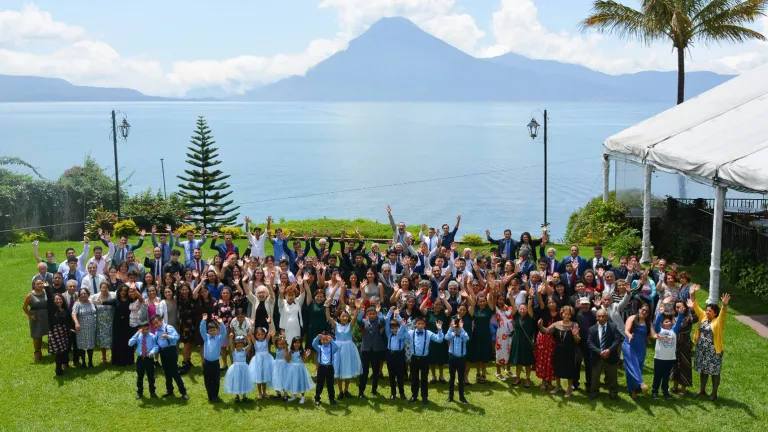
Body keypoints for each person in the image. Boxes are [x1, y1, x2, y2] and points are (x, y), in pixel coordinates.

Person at [691, 287, 729, 401]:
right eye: (707, 310)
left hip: (713, 351)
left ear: (715, 313)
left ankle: (714, 393)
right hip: (702, 349)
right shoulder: (703, 316)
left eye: (710, 311)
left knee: (714, 372)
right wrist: (692, 294)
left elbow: (723, 314)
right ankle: (702, 390)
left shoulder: (718, 321)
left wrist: (724, 305)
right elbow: (695, 306)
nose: (707, 312)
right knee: (703, 370)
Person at [540, 305, 580, 398]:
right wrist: (540, 326)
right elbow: (547, 331)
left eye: (569, 314)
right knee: (557, 368)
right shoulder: (556, 324)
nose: (567, 316)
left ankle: (569, 388)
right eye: (565, 314)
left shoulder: (575, 325)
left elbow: (578, 341)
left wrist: (575, 335)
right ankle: (558, 386)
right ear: (561, 314)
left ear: (571, 315)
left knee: (569, 369)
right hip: (558, 350)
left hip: (570, 351)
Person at [326, 296, 362, 399]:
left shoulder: (350, 325)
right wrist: (327, 306)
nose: (345, 318)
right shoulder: (336, 325)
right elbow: (328, 317)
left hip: (349, 349)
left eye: (346, 316)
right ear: (339, 317)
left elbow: (355, 318)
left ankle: (346, 390)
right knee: (338, 369)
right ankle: (340, 391)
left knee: (347, 368)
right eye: (343, 316)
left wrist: (357, 308)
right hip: (338, 349)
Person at [405, 315, 444, 404]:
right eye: (418, 323)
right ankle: (414, 396)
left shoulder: (428, 333)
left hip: (424, 359)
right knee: (414, 378)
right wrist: (403, 326)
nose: (420, 325)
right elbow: (400, 336)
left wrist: (439, 330)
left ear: (424, 324)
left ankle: (424, 397)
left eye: (422, 324)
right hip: (414, 358)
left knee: (424, 378)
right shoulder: (410, 333)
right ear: (415, 324)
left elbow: (440, 339)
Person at [588, 308, 623, 400]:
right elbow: (590, 342)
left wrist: (609, 350)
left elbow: (617, 340)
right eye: (599, 316)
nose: (601, 318)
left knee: (612, 376)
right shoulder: (592, 329)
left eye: (603, 316)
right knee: (595, 376)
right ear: (596, 317)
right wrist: (599, 352)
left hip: (610, 355)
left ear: (607, 317)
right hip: (597, 356)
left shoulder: (613, 327)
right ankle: (594, 392)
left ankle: (613, 392)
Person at [151, 314, 189, 400]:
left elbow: (177, 337)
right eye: (154, 324)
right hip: (163, 352)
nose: (156, 325)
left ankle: (183, 392)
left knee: (174, 372)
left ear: (161, 320)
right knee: (167, 372)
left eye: (157, 323)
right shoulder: (156, 332)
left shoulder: (168, 328)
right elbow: (157, 344)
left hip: (171, 351)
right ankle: (169, 390)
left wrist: (168, 336)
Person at [623, 302, 656, 399]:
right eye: (643, 309)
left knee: (639, 366)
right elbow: (626, 330)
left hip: (641, 348)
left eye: (647, 311)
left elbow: (653, 335)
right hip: (629, 345)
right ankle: (640, 384)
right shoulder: (632, 318)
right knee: (633, 365)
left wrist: (661, 337)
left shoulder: (648, 323)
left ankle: (634, 388)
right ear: (639, 309)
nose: (644, 312)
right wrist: (629, 335)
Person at [651, 303, 685, 399]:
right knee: (657, 376)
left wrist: (681, 314)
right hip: (659, 358)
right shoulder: (659, 330)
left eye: (670, 321)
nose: (669, 323)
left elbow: (678, 322)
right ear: (662, 324)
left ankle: (665, 391)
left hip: (669, 359)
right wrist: (660, 313)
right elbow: (656, 324)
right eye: (666, 322)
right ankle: (654, 391)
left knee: (666, 376)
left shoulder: (674, 331)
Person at [357, 304, 386, 398]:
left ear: (376, 314)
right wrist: (361, 312)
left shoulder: (379, 321)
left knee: (375, 371)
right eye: (370, 314)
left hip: (376, 350)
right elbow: (358, 321)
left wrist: (379, 312)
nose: (372, 315)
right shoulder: (364, 321)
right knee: (364, 372)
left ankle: (374, 390)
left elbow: (383, 322)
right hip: (365, 349)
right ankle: (361, 392)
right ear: (367, 315)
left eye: (373, 314)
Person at [671, 299, 698, 395]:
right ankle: (675, 386)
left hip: (685, 345)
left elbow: (696, 319)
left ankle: (683, 388)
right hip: (674, 345)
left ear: (685, 307)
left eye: (681, 307)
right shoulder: (673, 318)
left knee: (685, 365)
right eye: (677, 307)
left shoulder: (688, 318)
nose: (679, 309)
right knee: (675, 365)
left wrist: (692, 309)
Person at [509, 290, 535, 387]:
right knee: (518, 361)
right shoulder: (516, 315)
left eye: (524, 309)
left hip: (527, 341)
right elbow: (513, 305)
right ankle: (518, 377)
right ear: (518, 309)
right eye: (521, 309)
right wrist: (511, 296)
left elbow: (530, 306)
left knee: (527, 362)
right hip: (517, 341)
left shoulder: (530, 315)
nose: (523, 310)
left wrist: (530, 296)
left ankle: (528, 379)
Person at [128, 322, 158, 399]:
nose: (145, 331)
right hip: (140, 359)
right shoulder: (138, 336)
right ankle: (140, 392)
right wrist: (137, 333)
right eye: (143, 329)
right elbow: (130, 343)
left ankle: (152, 392)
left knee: (151, 376)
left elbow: (156, 346)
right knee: (140, 376)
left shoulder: (152, 336)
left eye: (147, 329)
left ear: (149, 328)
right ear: (140, 329)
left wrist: (152, 352)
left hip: (149, 358)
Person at [200, 313, 226, 403]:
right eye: (210, 330)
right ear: (208, 331)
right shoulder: (206, 338)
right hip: (206, 363)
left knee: (216, 380)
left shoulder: (219, 338)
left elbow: (224, 332)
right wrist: (203, 321)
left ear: (217, 330)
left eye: (214, 330)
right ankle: (210, 395)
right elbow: (202, 330)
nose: (212, 332)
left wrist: (221, 323)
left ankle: (215, 395)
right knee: (207, 380)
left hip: (215, 363)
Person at [468, 293, 494, 383]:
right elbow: (471, 304)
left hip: (486, 335)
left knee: (485, 355)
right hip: (476, 335)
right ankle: (478, 373)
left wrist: (490, 290)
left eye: (483, 301)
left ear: (486, 302)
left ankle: (483, 374)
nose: (482, 303)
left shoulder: (489, 309)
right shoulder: (475, 309)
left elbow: (491, 298)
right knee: (477, 355)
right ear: (477, 302)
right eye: (480, 301)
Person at [444, 317, 470, 404]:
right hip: (452, 358)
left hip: (461, 358)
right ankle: (450, 396)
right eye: (456, 327)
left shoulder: (463, 334)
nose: (457, 328)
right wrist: (451, 328)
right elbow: (446, 337)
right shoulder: (451, 334)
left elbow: (467, 338)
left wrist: (461, 329)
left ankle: (462, 397)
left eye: (458, 327)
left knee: (461, 377)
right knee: (452, 377)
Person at [385, 307, 409, 400]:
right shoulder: (389, 334)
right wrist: (390, 312)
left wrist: (398, 316)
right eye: (392, 328)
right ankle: (393, 393)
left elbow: (402, 330)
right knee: (391, 375)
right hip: (390, 355)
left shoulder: (402, 335)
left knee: (400, 375)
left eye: (396, 328)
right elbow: (387, 321)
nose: (394, 330)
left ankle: (402, 393)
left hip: (399, 355)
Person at [23, 279, 49, 361]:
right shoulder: (30, 295)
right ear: (34, 285)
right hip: (36, 317)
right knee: (37, 334)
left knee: (50, 333)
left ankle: (53, 350)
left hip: (47, 315)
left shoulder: (46, 292)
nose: (40, 285)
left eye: (41, 283)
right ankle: (37, 352)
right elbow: (24, 307)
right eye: (38, 284)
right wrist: (30, 316)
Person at [282, 336, 314, 404]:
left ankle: (303, 397)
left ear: (301, 343)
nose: (296, 344)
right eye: (295, 343)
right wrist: (285, 356)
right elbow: (288, 361)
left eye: (298, 343)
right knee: (294, 381)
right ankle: (294, 395)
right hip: (292, 368)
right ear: (293, 343)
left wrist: (306, 356)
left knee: (301, 381)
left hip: (300, 368)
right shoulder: (291, 351)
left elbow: (304, 361)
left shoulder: (302, 351)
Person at [91, 281, 116, 365]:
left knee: (112, 340)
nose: (104, 289)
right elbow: (87, 301)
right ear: (100, 288)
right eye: (102, 288)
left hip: (111, 322)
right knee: (102, 341)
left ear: (108, 288)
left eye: (106, 288)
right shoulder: (95, 297)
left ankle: (113, 357)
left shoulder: (113, 295)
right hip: (100, 323)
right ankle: (104, 358)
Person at [312, 331, 340, 405]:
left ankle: (332, 399)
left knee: (330, 384)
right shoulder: (319, 348)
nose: (324, 341)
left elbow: (337, 347)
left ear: (329, 340)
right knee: (320, 384)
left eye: (326, 339)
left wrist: (332, 340)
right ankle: (317, 398)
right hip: (321, 368)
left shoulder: (332, 348)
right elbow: (314, 344)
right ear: (321, 340)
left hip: (330, 368)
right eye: (323, 339)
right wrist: (318, 337)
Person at [72, 288, 97, 368]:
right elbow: (74, 314)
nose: (83, 295)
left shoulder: (91, 302)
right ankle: (83, 362)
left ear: (88, 294)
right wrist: (76, 323)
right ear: (79, 295)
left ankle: (90, 362)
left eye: (85, 293)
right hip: (81, 327)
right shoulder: (77, 304)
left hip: (91, 327)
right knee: (81, 345)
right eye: (81, 294)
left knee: (91, 345)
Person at [224, 336, 254, 402]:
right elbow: (230, 344)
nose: (239, 347)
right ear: (235, 346)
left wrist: (247, 338)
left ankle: (244, 396)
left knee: (244, 380)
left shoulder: (244, 350)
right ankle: (237, 396)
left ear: (243, 345)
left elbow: (250, 344)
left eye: (241, 346)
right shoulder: (234, 351)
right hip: (235, 369)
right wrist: (231, 338)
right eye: (238, 346)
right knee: (236, 381)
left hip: (244, 368)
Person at [49, 294, 72, 376]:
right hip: (55, 331)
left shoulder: (65, 309)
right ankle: (58, 368)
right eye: (56, 299)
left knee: (65, 349)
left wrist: (70, 328)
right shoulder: (51, 310)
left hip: (64, 331)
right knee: (59, 351)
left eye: (60, 299)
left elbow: (69, 320)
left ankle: (65, 364)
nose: (58, 301)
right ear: (53, 301)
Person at [248, 327, 274, 399]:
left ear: (265, 334)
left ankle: (264, 392)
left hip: (266, 360)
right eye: (258, 335)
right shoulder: (255, 342)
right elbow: (250, 333)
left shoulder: (266, 340)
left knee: (265, 375)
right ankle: (259, 392)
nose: (260, 336)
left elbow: (270, 332)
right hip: (258, 361)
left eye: (262, 334)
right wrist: (252, 325)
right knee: (258, 376)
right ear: (256, 335)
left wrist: (269, 323)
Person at [272, 334, 289, 400]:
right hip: (276, 366)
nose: (280, 345)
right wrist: (273, 336)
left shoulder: (285, 349)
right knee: (276, 379)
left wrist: (283, 338)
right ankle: (278, 393)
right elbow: (273, 341)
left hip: (283, 366)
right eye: (279, 344)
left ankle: (286, 394)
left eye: (282, 344)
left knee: (283, 379)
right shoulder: (276, 349)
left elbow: (286, 346)